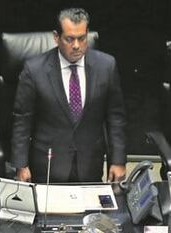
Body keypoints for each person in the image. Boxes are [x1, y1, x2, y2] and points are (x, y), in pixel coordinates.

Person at [11, 7, 127, 184]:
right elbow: (22, 120)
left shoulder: (106, 66)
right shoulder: (34, 70)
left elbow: (116, 118)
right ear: (56, 37)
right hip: (47, 166)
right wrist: (20, 165)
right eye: (69, 39)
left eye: (81, 38)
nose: (76, 45)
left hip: (90, 163)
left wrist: (118, 160)